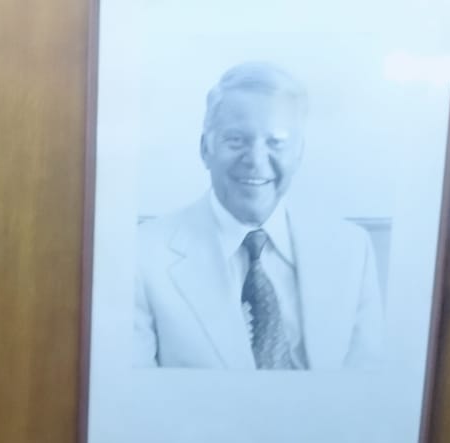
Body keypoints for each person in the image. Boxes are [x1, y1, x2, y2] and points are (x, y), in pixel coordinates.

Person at [133, 61, 385, 371]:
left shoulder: (352, 249)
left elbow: (365, 386)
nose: (255, 160)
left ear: (298, 152)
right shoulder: (143, 253)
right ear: (205, 149)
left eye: (276, 142)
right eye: (236, 140)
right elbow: (136, 391)